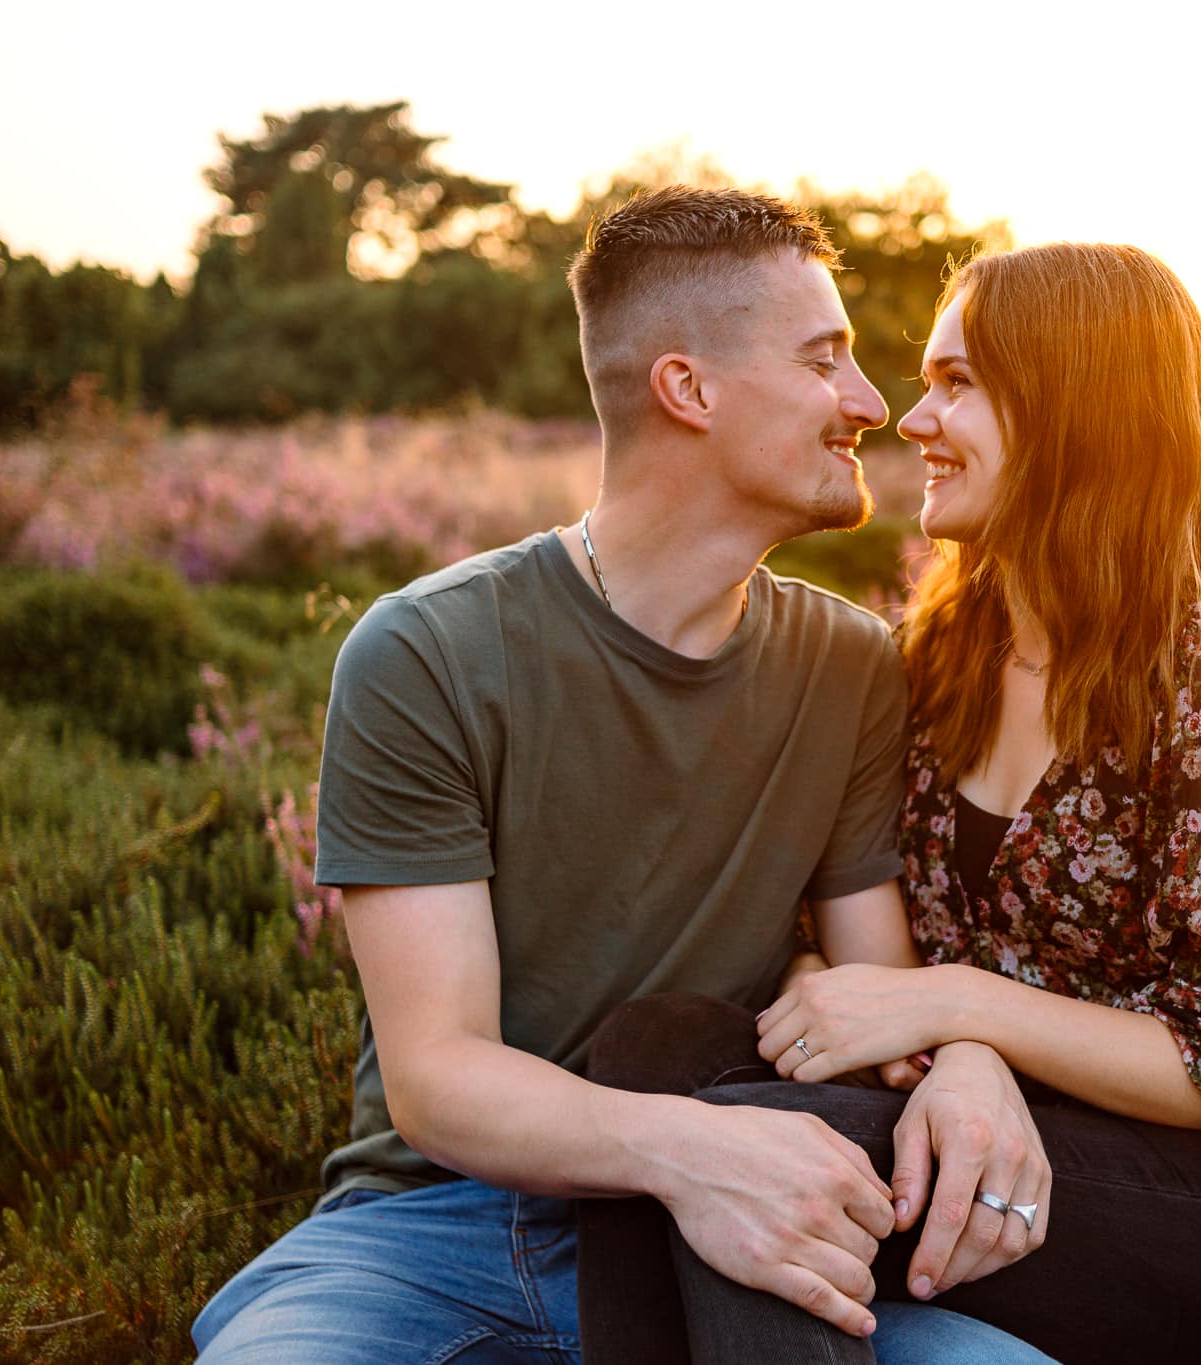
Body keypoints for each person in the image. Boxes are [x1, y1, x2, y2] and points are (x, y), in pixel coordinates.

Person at [190, 187, 1055, 1364]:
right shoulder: (427, 653)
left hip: (752, 1232)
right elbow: (437, 1078)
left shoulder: (849, 665)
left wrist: (967, 1062)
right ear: (687, 390)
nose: (869, 406)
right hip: (440, 1229)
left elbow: (877, 993)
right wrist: (690, 1153)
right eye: (825, 363)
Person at [588, 243, 1201, 1363]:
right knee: (652, 1060)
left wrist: (960, 1012)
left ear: (1076, 409)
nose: (911, 419)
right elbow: (859, 945)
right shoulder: (947, 647)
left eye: (957, 384)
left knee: (736, 1144)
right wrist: (948, 1041)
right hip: (991, 1126)